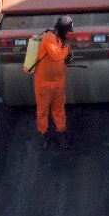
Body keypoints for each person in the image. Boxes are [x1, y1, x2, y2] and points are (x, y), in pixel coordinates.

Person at [32, 16, 74, 149]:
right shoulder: (49, 38)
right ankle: (42, 134)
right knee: (43, 110)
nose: (68, 34)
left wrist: (67, 51)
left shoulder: (59, 38)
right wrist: (67, 50)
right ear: (62, 29)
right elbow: (56, 55)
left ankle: (61, 132)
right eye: (67, 31)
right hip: (44, 83)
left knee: (59, 109)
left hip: (58, 82)